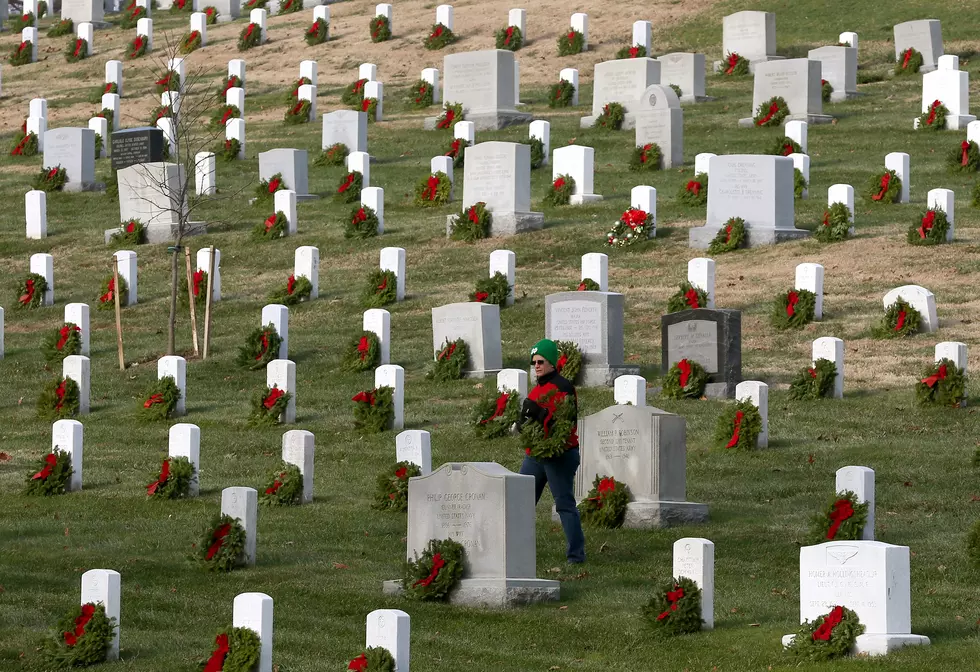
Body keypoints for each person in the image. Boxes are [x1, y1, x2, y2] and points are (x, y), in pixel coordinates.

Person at [516, 338, 586, 564]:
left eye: (540, 361)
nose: (536, 366)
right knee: (521, 501)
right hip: (535, 456)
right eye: (533, 362)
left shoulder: (563, 388)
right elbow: (529, 425)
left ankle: (576, 555)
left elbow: (566, 425)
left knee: (564, 504)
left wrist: (541, 415)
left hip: (560, 455)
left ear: (552, 363)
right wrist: (521, 423)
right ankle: (515, 550)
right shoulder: (537, 389)